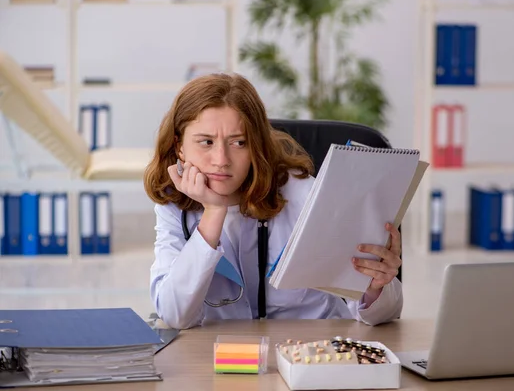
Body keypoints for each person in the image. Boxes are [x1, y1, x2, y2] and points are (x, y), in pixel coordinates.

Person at [143, 73, 403, 330]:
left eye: (239, 142)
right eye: (206, 142)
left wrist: (376, 287)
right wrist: (213, 211)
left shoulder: (301, 192)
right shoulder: (174, 206)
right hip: (224, 359)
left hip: (315, 352)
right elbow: (175, 315)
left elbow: (385, 313)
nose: (221, 159)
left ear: (256, 145)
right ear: (179, 147)